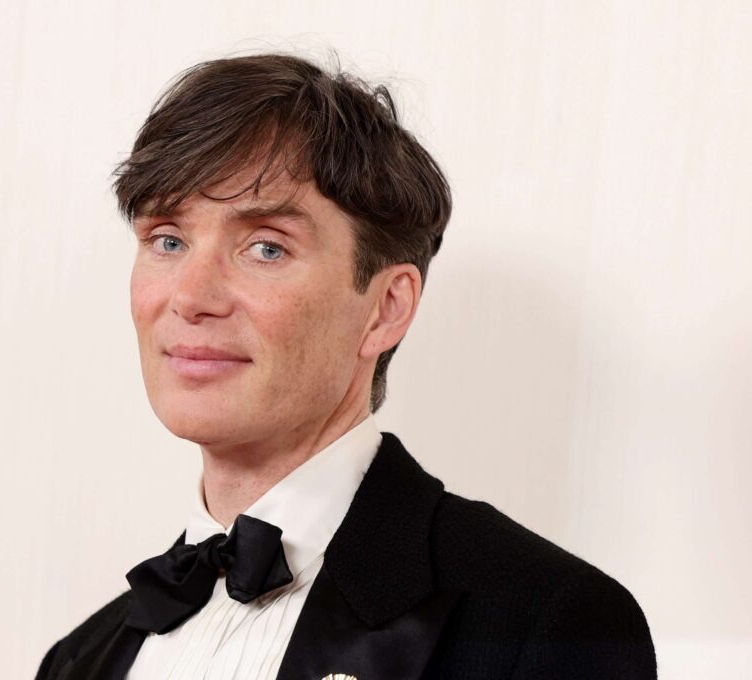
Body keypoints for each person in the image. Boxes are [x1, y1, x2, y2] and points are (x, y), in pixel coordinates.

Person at [36, 53, 657, 680]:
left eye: (266, 247)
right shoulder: (76, 661)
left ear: (386, 308)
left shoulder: (547, 623)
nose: (191, 297)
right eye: (168, 240)